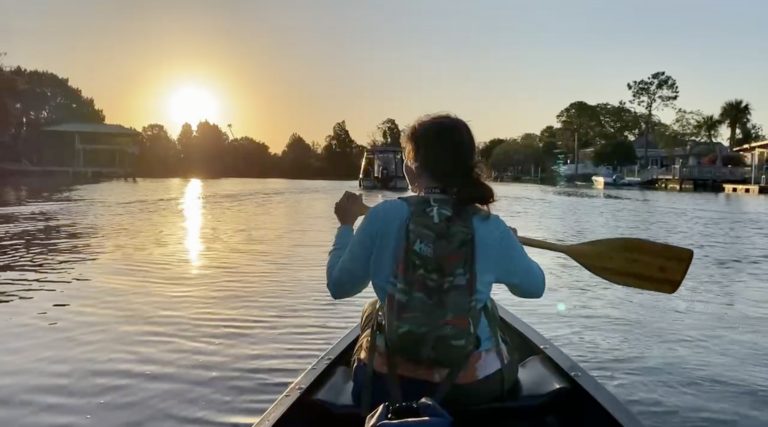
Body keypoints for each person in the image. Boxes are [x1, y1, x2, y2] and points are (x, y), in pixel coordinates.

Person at [327, 114, 545, 411]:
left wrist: (345, 226)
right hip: (473, 390)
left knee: (372, 309)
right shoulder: (490, 227)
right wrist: (511, 246)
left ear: (413, 163)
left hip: (385, 388)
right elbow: (534, 287)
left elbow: (339, 286)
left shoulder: (382, 216)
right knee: (489, 310)